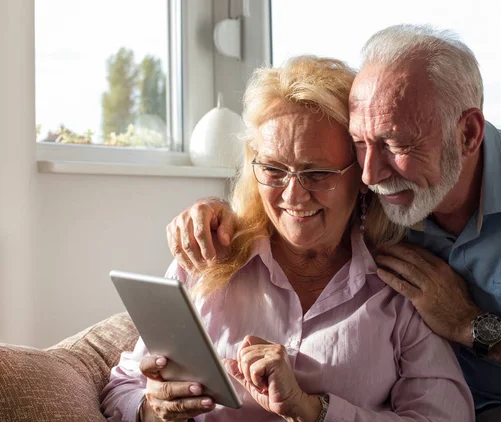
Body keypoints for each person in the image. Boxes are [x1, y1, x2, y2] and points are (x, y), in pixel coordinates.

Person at [168, 25, 501, 422]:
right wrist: (217, 212)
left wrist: (473, 325)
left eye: (395, 143)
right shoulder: (379, 204)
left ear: (467, 134)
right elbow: (292, 185)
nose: (370, 174)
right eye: (359, 143)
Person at [101, 55, 474, 422]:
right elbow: (122, 388)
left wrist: (314, 410)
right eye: (274, 170)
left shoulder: (400, 288)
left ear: (361, 177)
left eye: (316, 173)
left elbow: (447, 415)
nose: (293, 195)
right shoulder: (207, 259)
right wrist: (152, 408)